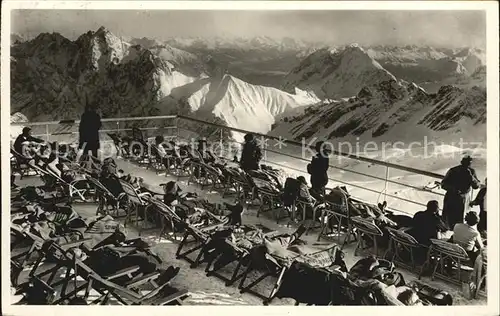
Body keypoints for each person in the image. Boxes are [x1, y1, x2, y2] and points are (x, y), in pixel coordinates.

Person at [441, 156, 480, 229]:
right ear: (462, 163)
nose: (467, 166)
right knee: (449, 219)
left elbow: (476, 186)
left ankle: (458, 234)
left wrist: (471, 177)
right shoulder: (453, 171)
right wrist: (454, 189)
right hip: (451, 198)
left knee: (461, 219)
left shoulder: (471, 172)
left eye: (469, 164)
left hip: (464, 199)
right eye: (466, 163)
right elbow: (443, 184)